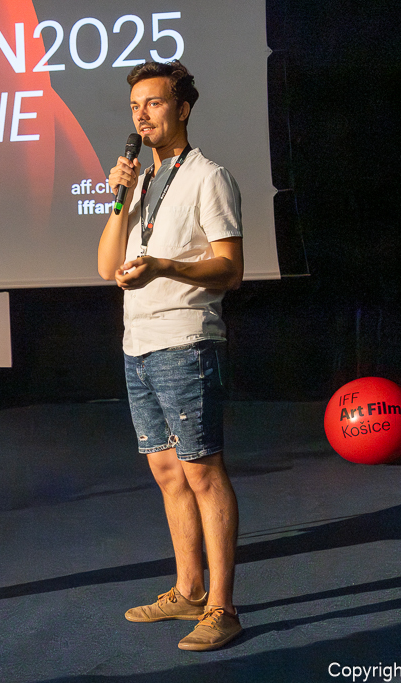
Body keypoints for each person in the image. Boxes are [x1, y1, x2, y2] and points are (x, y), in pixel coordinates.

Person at [97, 61, 244, 652]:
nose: (142, 115)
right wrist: (118, 199)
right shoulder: (138, 184)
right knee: (165, 471)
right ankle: (188, 590)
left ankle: (223, 606)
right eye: (136, 106)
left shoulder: (208, 176)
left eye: (154, 103)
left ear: (182, 109)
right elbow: (106, 267)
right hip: (137, 342)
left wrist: (164, 266)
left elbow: (229, 269)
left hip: (185, 339)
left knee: (203, 471)